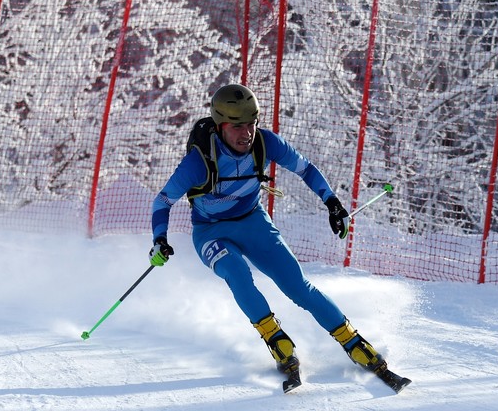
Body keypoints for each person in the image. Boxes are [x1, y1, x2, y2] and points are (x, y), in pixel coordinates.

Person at [149, 84, 390, 381]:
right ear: (220, 125)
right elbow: (163, 201)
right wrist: (159, 239)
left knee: (297, 286)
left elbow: (306, 169)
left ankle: (353, 341)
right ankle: (277, 340)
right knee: (236, 272)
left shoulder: (266, 143)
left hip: (254, 223)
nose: (246, 133)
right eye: (237, 126)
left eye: (251, 124)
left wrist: (332, 202)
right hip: (211, 233)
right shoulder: (199, 162)